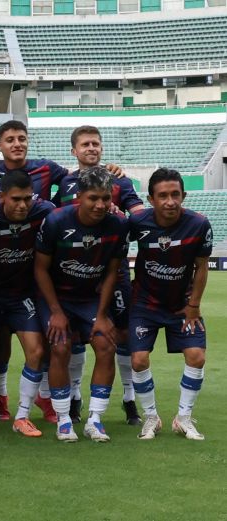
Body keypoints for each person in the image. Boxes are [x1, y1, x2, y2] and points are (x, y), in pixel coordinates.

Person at [55, 125, 144, 426]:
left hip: (112, 271)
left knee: (120, 335)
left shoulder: (119, 179)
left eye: (96, 143)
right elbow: (53, 217)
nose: (91, 148)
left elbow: (139, 213)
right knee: (77, 336)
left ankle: (129, 398)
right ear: (74, 151)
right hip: (73, 273)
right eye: (85, 144)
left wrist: (124, 214)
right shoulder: (64, 182)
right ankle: (76, 396)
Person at [34, 166, 128, 442]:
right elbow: (40, 269)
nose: (100, 205)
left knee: (105, 344)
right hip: (55, 297)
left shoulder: (118, 225)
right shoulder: (56, 221)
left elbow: (113, 271)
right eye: (93, 198)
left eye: (105, 198)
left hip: (89, 298)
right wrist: (55, 312)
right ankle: (64, 420)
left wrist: (101, 314)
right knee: (60, 347)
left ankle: (95, 420)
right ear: (80, 197)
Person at [128, 168, 212, 441]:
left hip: (182, 305)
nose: (170, 201)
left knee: (197, 357)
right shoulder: (137, 222)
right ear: (151, 199)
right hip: (144, 303)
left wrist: (194, 305)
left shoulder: (199, 224)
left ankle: (184, 418)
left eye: (175, 194)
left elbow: (201, 267)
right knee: (139, 360)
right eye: (162, 195)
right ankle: (151, 417)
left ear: (183, 195)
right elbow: (113, 247)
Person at [0, 170, 53, 438]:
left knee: (37, 351)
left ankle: (22, 416)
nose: (22, 205)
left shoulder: (43, 212)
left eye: (27, 199)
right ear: (2, 197)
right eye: (16, 199)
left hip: (22, 297)